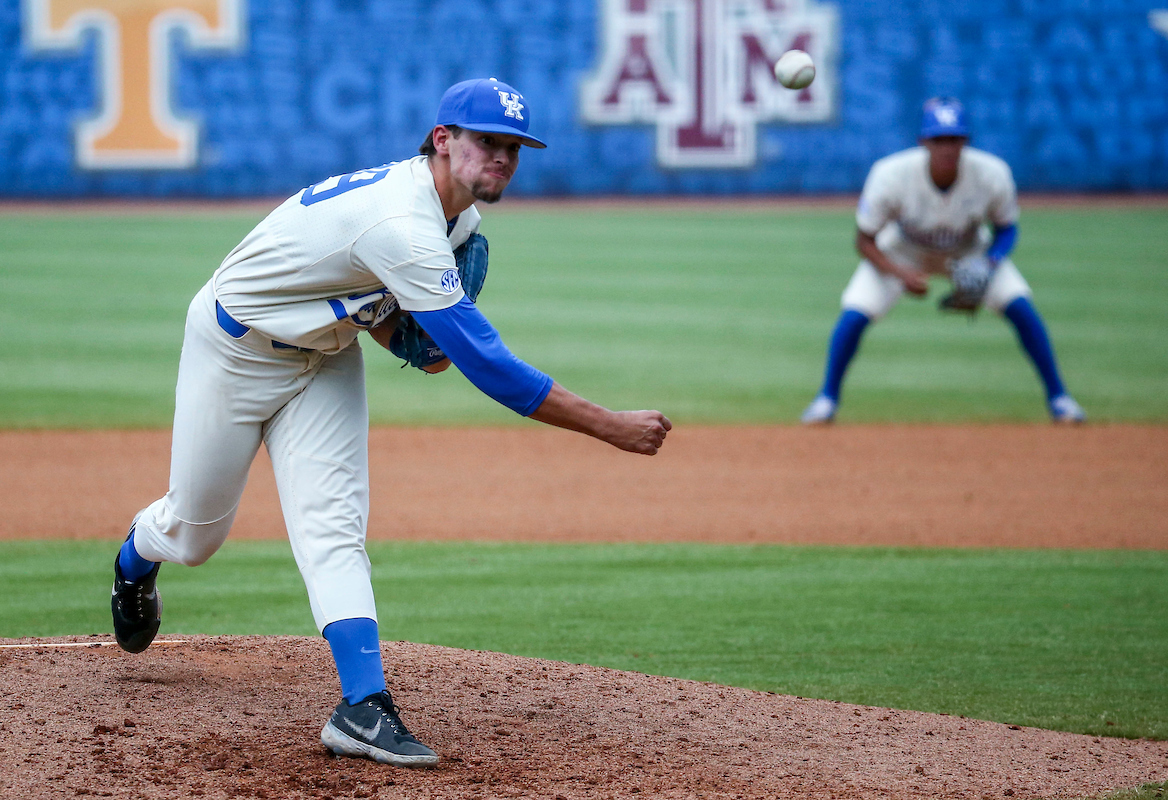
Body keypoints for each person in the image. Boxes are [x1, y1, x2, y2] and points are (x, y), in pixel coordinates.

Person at [109, 77, 671, 768]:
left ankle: (363, 708)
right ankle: (134, 561)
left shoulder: (456, 222)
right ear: (443, 141)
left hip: (325, 358)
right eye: (488, 142)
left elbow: (384, 320)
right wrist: (611, 425)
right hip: (235, 350)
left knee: (333, 527)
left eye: (514, 147)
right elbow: (488, 368)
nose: (503, 158)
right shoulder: (403, 223)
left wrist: (409, 337)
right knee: (195, 533)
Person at [800, 97, 1086, 425]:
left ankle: (1059, 398)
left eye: (954, 139)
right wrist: (899, 274)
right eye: (939, 140)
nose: (947, 148)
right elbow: (863, 240)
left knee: (1019, 306)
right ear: (924, 142)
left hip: (969, 251)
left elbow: (1007, 229)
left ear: (965, 141)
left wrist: (988, 264)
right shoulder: (890, 175)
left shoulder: (992, 174)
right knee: (854, 314)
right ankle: (826, 399)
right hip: (902, 250)